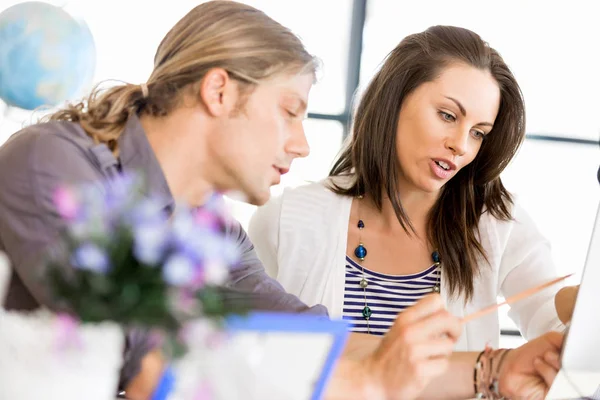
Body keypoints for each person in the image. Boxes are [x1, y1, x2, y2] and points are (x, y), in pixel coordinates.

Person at [0, 2, 561, 399]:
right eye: (289, 110)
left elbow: (310, 339)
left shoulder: (211, 231)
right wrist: (368, 387)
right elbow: (151, 365)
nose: (302, 141)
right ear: (220, 91)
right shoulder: (51, 162)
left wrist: (495, 370)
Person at [249, 24, 570, 351]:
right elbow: (245, 355)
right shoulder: (285, 221)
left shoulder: (496, 223)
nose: (460, 145)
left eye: (478, 133)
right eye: (447, 115)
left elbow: (552, 320)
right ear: (395, 99)